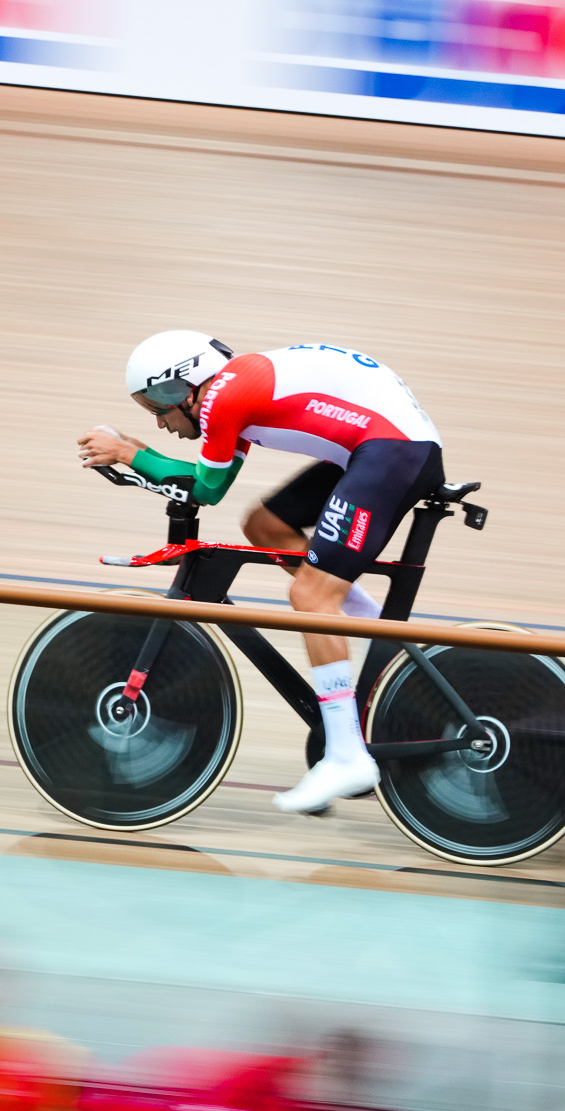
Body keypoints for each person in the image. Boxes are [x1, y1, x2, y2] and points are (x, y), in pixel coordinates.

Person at [78, 331, 446, 814]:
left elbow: (205, 489)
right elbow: (210, 482)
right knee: (265, 524)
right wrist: (140, 456)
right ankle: (359, 616)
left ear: (181, 387)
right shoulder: (236, 391)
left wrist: (130, 455)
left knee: (311, 598)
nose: (160, 422)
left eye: (156, 406)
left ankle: (346, 755)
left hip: (392, 451)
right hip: (383, 448)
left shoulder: (226, 396)